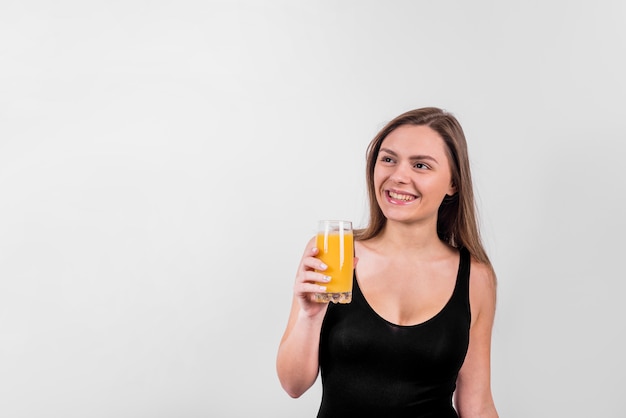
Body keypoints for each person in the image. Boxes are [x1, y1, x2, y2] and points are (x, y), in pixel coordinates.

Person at [276, 107, 499, 417]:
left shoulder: (476, 277)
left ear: (453, 183)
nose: (398, 176)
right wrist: (309, 316)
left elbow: (477, 405)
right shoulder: (333, 253)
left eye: (421, 165)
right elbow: (293, 385)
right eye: (389, 159)